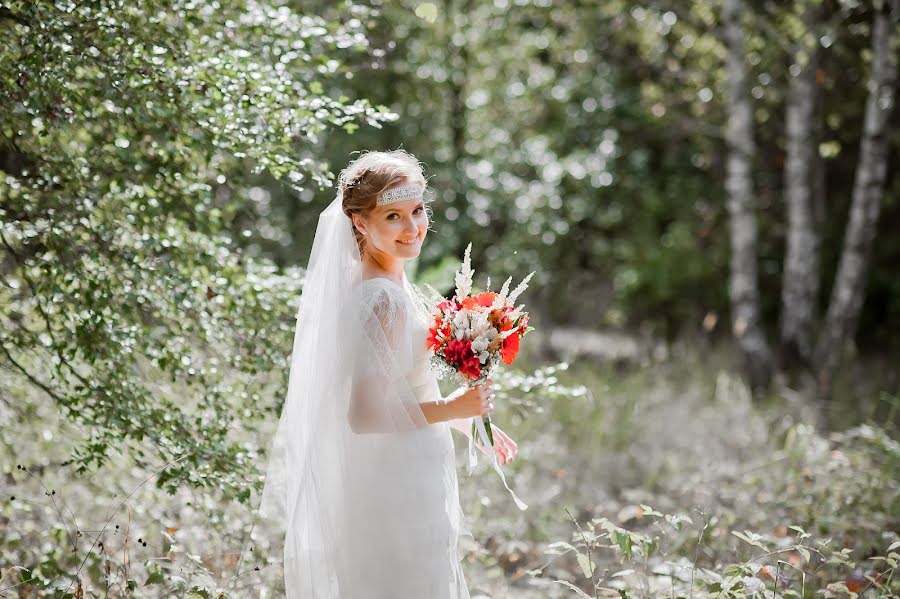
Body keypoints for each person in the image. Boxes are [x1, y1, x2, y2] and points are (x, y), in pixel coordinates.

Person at [259, 150, 519, 598]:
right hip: (392, 480)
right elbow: (365, 415)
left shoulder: (390, 286)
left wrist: (467, 423)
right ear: (360, 223)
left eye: (417, 211)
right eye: (393, 216)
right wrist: (452, 407)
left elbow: (404, 387)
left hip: (406, 466)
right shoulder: (382, 299)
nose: (412, 227)